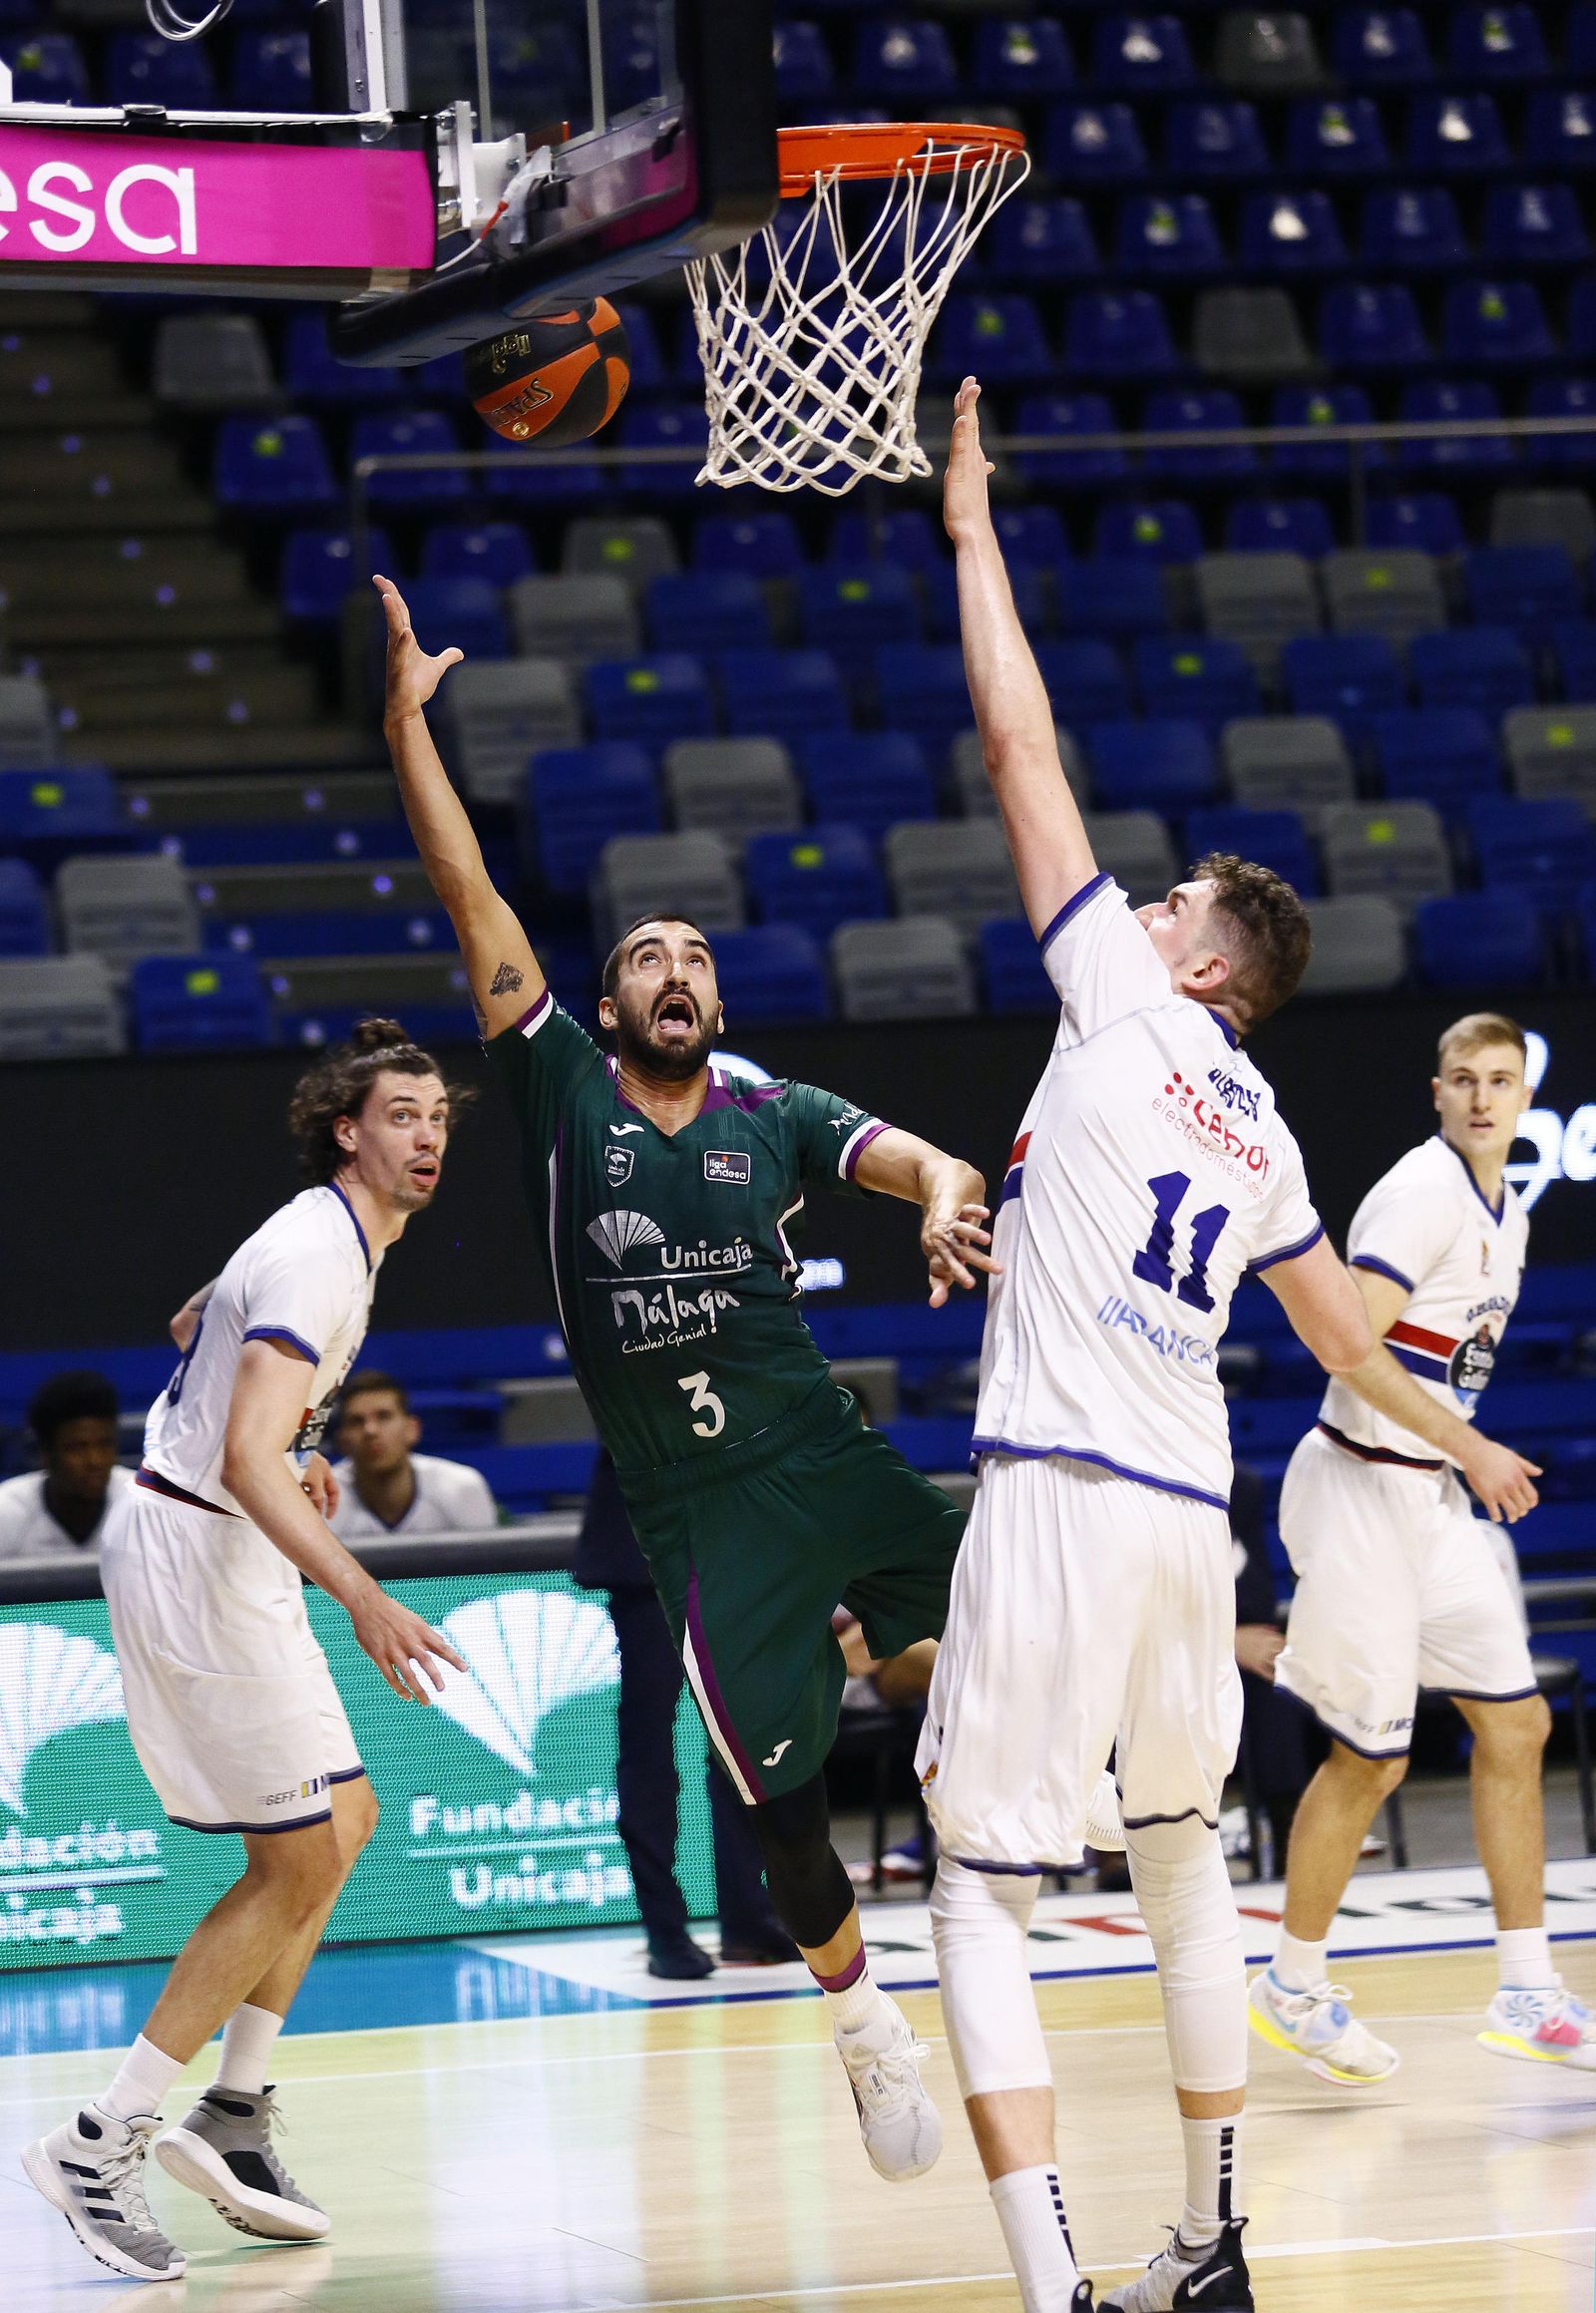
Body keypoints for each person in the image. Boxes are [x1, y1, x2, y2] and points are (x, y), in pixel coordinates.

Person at [375, 568, 994, 2189]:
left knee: (1014, 1589)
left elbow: (908, 1152)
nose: (671, 968)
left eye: (694, 955)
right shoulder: (557, 1077)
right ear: (603, 1000)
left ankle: (1027, 1805)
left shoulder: (769, 1103)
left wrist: (939, 1194)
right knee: (780, 1821)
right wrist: (406, 732)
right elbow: (469, 894)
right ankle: (866, 2025)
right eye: (645, 952)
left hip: (814, 1446)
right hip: (695, 1508)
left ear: (717, 998)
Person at [921, 378, 1375, 2313]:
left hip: (1057, 1491)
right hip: (1192, 1520)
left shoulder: (1118, 995)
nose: (1140, 895)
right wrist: (1440, 1416)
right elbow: (1338, 1330)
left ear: (1193, 960)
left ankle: (1047, 2285)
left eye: (1167, 896)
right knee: (1186, 1857)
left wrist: (965, 531)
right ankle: (1210, 2247)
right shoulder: (1267, 1127)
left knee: (974, 1885)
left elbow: (1018, 749)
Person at [21, 1020, 469, 2285]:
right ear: (349, 1130)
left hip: (229, 1545)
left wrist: (290, 1435)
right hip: (198, 1558)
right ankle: (97, 2143)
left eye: (438, 1117)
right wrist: (366, 1598)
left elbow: (190, 1325)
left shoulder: (328, 1235)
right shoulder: (321, 1256)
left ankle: (235, 2111)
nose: (427, 1136)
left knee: (350, 1819)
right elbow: (234, 1449)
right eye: (401, 1115)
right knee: (290, 1863)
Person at [1251, 1012, 1594, 2082]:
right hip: (1358, 1489)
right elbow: (1348, 1347)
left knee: (1517, 1722)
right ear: (1436, 1092)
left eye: (1501, 1080)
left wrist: (1456, 1456)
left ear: (1525, 1099)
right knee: (1375, 1755)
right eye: (1463, 1079)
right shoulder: (1419, 1191)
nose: (1484, 1097)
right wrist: (1474, 1448)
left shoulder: (1508, 1211)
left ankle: (1528, 1987)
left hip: (1428, 1498)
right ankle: (1290, 1986)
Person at [574, 1450, 800, 1977]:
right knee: (650, 1741)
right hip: (646, 1537)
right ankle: (664, 1927)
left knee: (737, 1739)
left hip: (729, 1528)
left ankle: (749, 1917)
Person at [330, 1368, 498, 1539]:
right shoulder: (323, 1499)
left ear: (412, 1429)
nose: (370, 1431)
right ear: (342, 1440)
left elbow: (490, 1563)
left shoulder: (462, 1487)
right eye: (356, 1421)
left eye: (384, 1416)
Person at [0, 1370, 133, 1556]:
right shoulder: (5, 1512)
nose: (95, 1461)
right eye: (77, 1448)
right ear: (45, 1453)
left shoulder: (144, 1503)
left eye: (105, 1444)